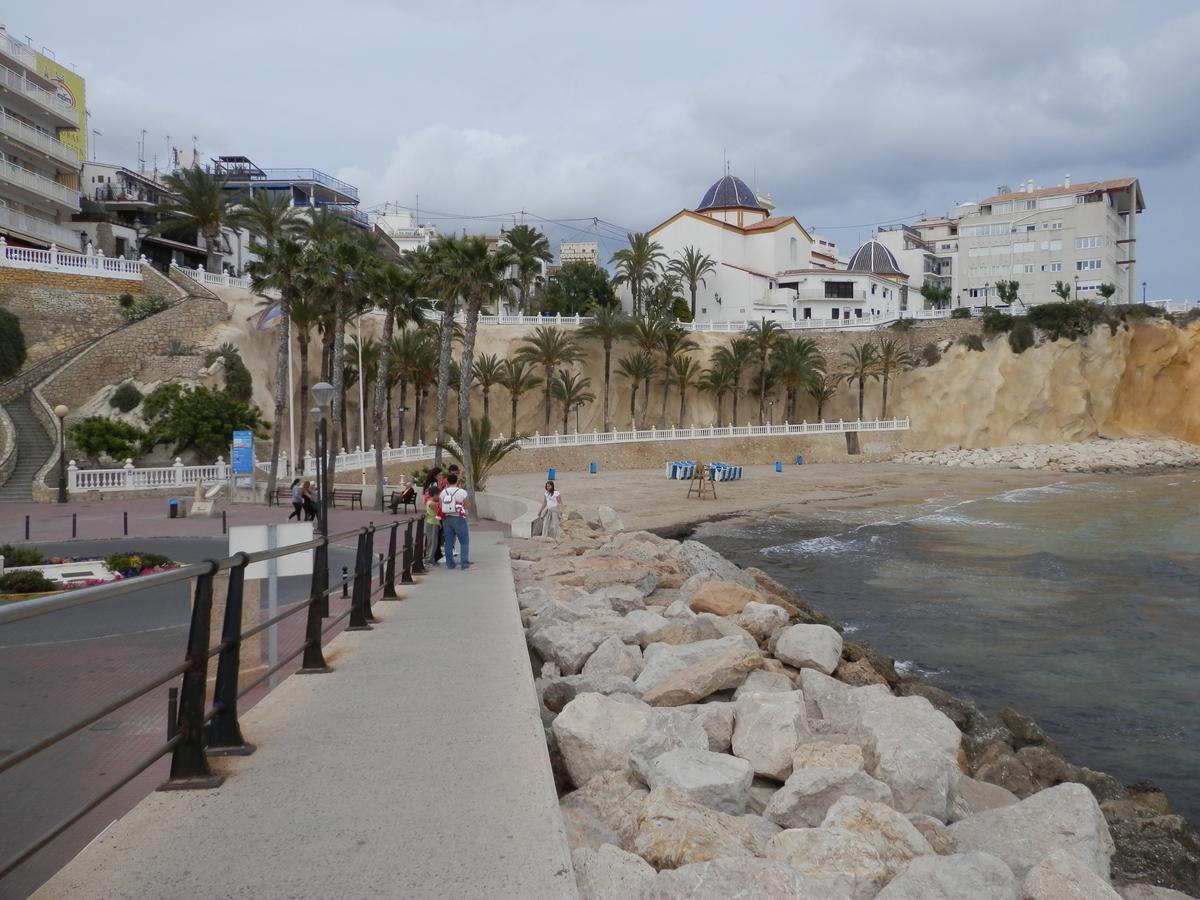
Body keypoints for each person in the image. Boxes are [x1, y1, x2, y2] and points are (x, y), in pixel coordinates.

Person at [439, 472, 471, 571]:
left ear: (447, 481)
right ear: (457, 481)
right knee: (464, 542)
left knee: (448, 542)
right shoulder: (462, 492)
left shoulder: (443, 492)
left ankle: (450, 564)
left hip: (447, 519)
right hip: (459, 518)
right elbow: (467, 505)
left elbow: (440, 506)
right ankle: (464, 564)